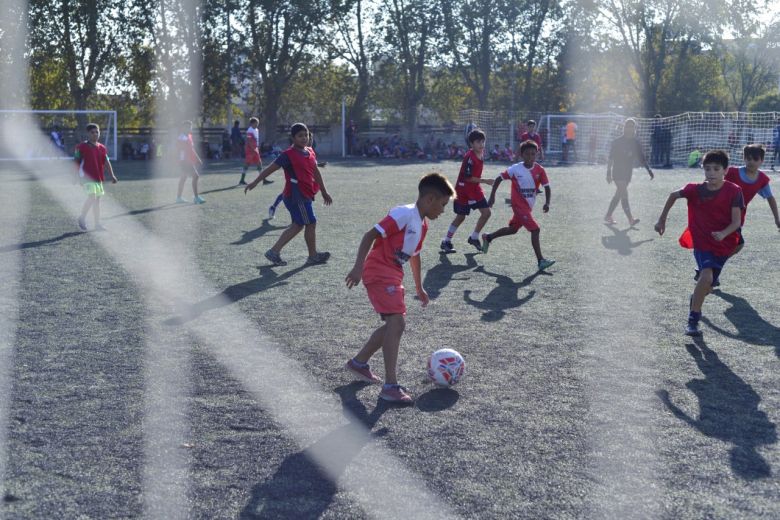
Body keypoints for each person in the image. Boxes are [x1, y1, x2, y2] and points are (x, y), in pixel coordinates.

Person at [344, 173, 454, 403]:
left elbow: (414, 256)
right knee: (397, 323)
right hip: (378, 270)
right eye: (443, 205)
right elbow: (369, 235)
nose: (443, 211)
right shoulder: (404, 213)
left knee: (393, 325)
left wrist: (419, 287)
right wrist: (357, 268)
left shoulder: (422, 225)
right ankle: (390, 386)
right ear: (429, 199)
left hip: (393, 274)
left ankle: (359, 363)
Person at [654, 150, 743, 336]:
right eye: (707, 169)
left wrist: (723, 233)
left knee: (707, 286)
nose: (711, 173)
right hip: (702, 241)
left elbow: (736, 222)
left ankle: (697, 296)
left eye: (716, 169)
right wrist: (662, 220)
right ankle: (693, 321)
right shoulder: (695, 189)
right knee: (707, 277)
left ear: (725, 171)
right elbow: (673, 195)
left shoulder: (734, 191)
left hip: (724, 243)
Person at [245, 123, 332, 266]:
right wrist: (255, 182)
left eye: (306, 135)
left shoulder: (310, 151)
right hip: (296, 196)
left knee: (298, 225)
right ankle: (312, 256)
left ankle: (274, 252)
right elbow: (270, 169)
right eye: (300, 136)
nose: (304, 138)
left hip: (305, 194)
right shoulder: (288, 155)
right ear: (293, 138)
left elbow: (315, 172)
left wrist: (324, 191)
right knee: (310, 222)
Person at [481, 140, 555, 271]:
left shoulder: (540, 170)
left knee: (513, 230)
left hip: (528, 207)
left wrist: (547, 202)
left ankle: (488, 237)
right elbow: (499, 178)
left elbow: (547, 187)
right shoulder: (515, 169)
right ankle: (541, 260)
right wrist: (492, 196)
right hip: (518, 206)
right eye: (527, 154)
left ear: (537, 154)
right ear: (522, 155)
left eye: (533, 154)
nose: (530, 157)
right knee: (535, 230)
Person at [440, 128, 494, 253]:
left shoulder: (481, 152)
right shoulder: (469, 157)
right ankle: (446, 241)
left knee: (486, 213)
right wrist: (485, 181)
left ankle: (474, 237)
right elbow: (468, 178)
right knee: (461, 217)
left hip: (474, 189)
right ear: (471, 144)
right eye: (478, 142)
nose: (481, 144)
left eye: (483, 141)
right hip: (463, 190)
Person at [724, 144, 780, 258]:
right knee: (734, 243)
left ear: (762, 161)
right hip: (721, 212)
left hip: (737, 217)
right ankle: (711, 267)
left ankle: (713, 266)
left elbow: (770, 198)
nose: (751, 162)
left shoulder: (762, 179)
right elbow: (713, 180)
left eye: (755, 159)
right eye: (748, 158)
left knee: (737, 244)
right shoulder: (731, 172)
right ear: (744, 158)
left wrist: (777, 219)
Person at [605, 118, 654, 226]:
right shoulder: (617, 142)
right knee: (624, 193)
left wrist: (649, 170)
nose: (629, 128)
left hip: (627, 173)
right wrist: (608, 173)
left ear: (634, 129)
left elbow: (642, 158)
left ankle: (608, 215)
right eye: (628, 126)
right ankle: (630, 219)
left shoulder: (636, 142)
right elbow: (610, 158)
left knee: (619, 194)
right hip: (617, 172)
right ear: (624, 128)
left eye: (632, 126)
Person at [74, 123, 117, 231]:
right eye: (92, 132)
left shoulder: (102, 148)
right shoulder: (81, 147)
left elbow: (106, 161)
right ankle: (82, 218)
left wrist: (112, 175)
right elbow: (76, 162)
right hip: (86, 177)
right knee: (92, 197)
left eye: (97, 132)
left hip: (98, 178)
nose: (95, 134)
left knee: (97, 201)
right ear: (88, 133)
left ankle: (97, 224)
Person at [175, 120, 205, 204]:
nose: (189, 128)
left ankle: (178, 198)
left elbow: (192, 149)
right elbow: (181, 150)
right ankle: (196, 197)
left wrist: (197, 158)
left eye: (190, 127)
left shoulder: (189, 136)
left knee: (183, 178)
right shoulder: (181, 137)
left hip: (188, 160)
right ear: (183, 128)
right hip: (185, 161)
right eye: (187, 127)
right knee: (196, 176)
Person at [239, 117, 264, 185]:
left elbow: (256, 140)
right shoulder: (249, 130)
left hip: (255, 149)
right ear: (252, 123)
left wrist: (257, 148)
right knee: (247, 164)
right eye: (256, 123)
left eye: (258, 123)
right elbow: (249, 141)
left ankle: (264, 179)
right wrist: (254, 149)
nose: (257, 124)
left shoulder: (256, 130)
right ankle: (242, 180)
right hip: (250, 150)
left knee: (259, 164)